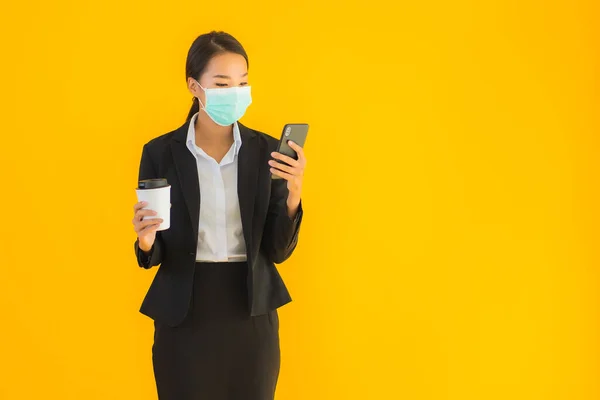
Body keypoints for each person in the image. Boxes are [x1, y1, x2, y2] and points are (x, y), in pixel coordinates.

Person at [130, 31, 306, 400]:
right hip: (185, 312)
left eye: (242, 82)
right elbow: (156, 249)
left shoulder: (267, 152)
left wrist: (293, 194)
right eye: (222, 83)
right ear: (195, 86)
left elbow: (277, 251)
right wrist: (146, 240)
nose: (236, 92)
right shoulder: (161, 152)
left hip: (250, 312)